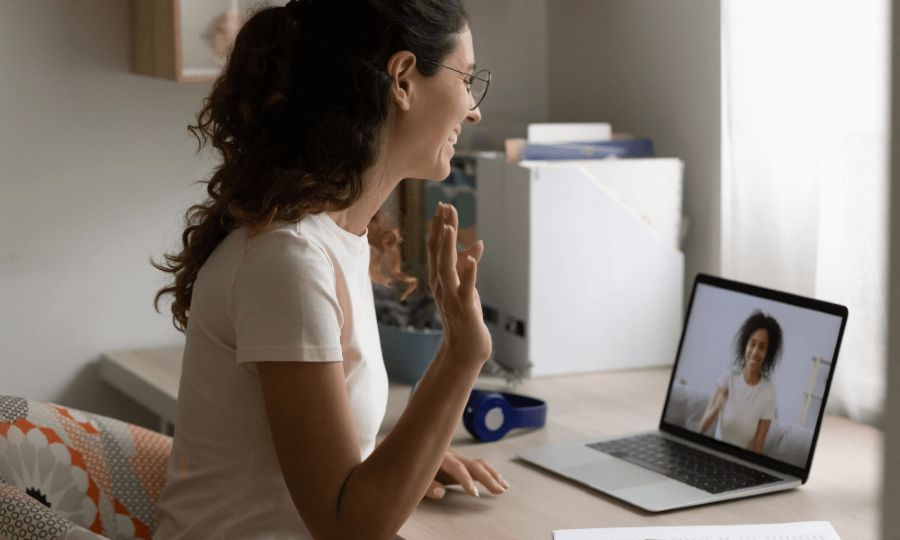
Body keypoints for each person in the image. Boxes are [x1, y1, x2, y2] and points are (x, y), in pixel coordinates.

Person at [150, 1, 505, 538]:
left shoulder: (327, 241)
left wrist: (404, 459)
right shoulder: (288, 261)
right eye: (466, 77)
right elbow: (348, 526)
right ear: (403, 80)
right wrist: (462, 355)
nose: (473, 109)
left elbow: (303, 463)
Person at [699, 311, 783, 453]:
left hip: (740, 463)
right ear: (746, 345)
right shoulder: (728, 379)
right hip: (715, 454)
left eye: (762, 347)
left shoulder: (769, 392)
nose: (755, 351)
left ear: (768, 354)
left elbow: (758, 446)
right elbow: (701, 428)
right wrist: (717, 408)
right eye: (753, 343)